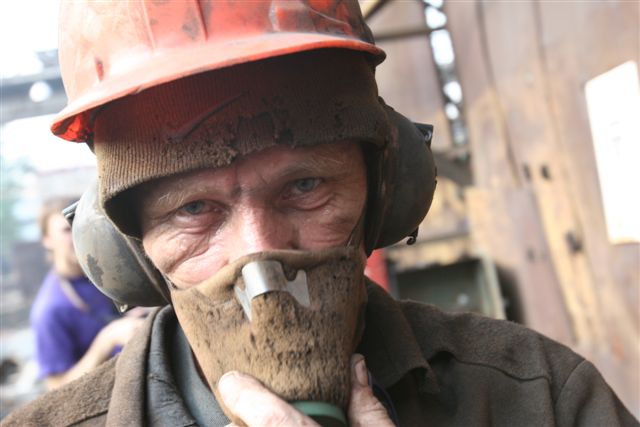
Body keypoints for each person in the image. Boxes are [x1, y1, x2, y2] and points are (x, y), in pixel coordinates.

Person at [4, 1, 637, 426]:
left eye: (305, 186)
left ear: (386, 191)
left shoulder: (542, 398)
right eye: (194, 209)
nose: (261, 262)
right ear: (128, 248)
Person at [29, 198, 145, 390]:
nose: (77, 234)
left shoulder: (109, 273)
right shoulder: (50, 309)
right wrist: (106, 340)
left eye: (79, 224)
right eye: (66, 230)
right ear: (47, 240)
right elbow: (56, 389)